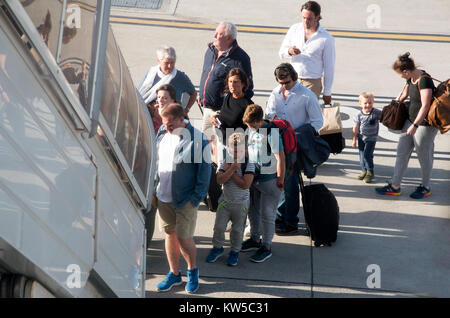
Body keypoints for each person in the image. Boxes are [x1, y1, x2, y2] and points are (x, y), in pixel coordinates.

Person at [154, 104, 211, 293]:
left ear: (181, 119)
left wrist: (195, 199)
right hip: (164, 196)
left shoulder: (198, 140)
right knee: (169, 234)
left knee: (184, 238)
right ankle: (174, 273)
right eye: (165, 123)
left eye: (170, 124)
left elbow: (205, 173)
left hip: (185, 199)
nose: (167, 127)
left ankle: (192, 271)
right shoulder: (162, 133)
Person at [265, 63, 323, 235]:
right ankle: (280, 216)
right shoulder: (275, 93)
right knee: (278, 182)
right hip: (277, 143)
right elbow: (269, 114)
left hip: (294, 147)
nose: (284, 86)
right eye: (281, 82)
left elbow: (318, 122)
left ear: (295, 78)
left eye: (287, 82)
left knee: (289, 185)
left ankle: (289, 221)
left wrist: (298, 136)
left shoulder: (307, 96)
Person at [376, 52, 438, 199]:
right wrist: (396, 102)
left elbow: (425, 106)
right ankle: (395, 186)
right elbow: (404, 93)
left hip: (424, 124)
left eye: (401, 75)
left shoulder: (424, 81)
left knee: (424, 156)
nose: (402, 77)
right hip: (409, 120)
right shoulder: (411, 78)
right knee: (401, 152)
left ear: (406, 71)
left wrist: (415, 125)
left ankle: (425, 187)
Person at [241, 104, 285, 263]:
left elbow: (280, 158)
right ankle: (254, 238)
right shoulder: (250, 129)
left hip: (270, 180)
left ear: (260, 120)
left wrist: (280, 180)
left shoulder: (271, 134)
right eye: (248, 125)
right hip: (254, 179)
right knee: (253, 210)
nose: (250, 128)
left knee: (267, 214)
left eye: (252, 125)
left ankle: (266, 246)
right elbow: (248, 150)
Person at [206, 132, 255, 266]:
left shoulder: (248, 163)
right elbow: (219, 180)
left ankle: (234, 251)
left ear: (245, 149)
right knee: (219, 228)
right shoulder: (226, 161)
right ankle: (217, 248)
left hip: (241, 204)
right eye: (232, 151)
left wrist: (231, 171)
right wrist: (232, 168)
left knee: (237, 230)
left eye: (238, 151)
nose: (235, 155)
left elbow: (245, 185)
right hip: (225, 202)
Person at [198, 22, 254, 139]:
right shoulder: (210, 51)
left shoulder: (240, 59)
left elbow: (247, 89)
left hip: (222, 114)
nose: (214, 36)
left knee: (221, 147)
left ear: (229, 38)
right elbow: (206, 75)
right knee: (206, 146)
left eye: (219, 34)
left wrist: (228, 112)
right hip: (207, 109)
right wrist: (202, 94)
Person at [279, 1, 335, 104]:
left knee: (306, 116)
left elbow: (329, 67)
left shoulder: (326, 38)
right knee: (289, 112)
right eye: (303, 18)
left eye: (309, 19)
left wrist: (327, 92)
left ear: (317, 17)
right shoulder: (294, 29)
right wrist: (289, 51)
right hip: (291, 80)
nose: (305, 21)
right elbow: (281, 52)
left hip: (312, 83)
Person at [138, 45, 197, 118]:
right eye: (166, 63)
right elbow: (140, 93)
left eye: (172, 63)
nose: (170, 66)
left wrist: (186, 110)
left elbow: (193, 94)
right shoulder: (151, 74)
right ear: (159, 61)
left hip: (170, 117)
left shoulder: (180, 77)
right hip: (148, 115)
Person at [210, 67, 253, 161]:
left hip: (235, 150)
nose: (232, 85)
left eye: (236, 82)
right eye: (230, 81)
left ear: (243, 84)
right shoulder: (228, 96)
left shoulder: (248, 105)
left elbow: (251, 130)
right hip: (220, 142)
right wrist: (215, 117)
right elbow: (224, 114)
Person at [352, 92, 382, 184]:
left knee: (367, 155)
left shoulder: (376, 112)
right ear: (360, 103)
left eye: (370, 103)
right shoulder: (358, 114)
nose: (368, 105)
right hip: (361, 138)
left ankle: (370, 172)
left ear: (373, 102)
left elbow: (386, 118)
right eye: (365, 103)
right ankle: (364, 170)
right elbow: (356, 127)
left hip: (371, 138)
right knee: (362, 156)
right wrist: (354, 140)